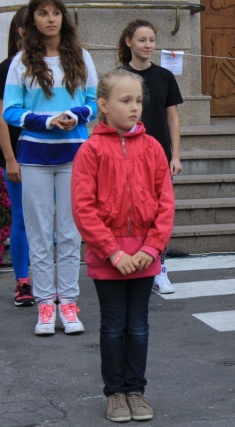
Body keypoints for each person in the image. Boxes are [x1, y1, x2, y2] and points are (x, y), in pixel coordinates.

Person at [71, 69, 175, 422]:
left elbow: (166, 203)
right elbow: (83, 208)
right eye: (125, 100)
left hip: (144, 255)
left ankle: (136, 390)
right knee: (114, 326)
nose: (134, 107)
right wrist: (112, 251)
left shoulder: (153, 148)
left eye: (139, 101)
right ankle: (115, 393)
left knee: (139, 326)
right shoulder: (91, 150)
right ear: (103, 105)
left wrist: (150, 248)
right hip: (108, 257)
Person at [2, 0, 97, 335]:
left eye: (55, 12)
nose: (50, 18)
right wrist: (46, 121)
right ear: (33, 21)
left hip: (75, 156)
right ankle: (45, 304)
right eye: (43, 13)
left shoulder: (82, 57)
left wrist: (75, 115)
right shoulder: (21, 61)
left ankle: (68, 302)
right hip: (34, 158)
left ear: (63, 18)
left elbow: (94, 103)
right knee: (40, 233)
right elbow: (10, 111)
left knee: (70, 233)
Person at [117, 19, 183, 294]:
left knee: (159, 214)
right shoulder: (120, 77)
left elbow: (173, 119)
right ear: (129, 42)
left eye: (152, 40)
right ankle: (130, 262)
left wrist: (175, 156)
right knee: (130, 212)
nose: (148, 45)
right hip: (127, 157)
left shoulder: (165, 76)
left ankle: (159, 267)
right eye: (142, 40)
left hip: (159, 157)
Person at [0, 6, 32, 307]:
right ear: (23, 31)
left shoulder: (53, 64)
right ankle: (23, 281)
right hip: (17, 156)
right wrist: (10, 158)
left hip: (49, 154)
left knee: (49, 221)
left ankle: (48, 279)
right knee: (22, 218)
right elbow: (1, 117)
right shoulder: (7, 67)